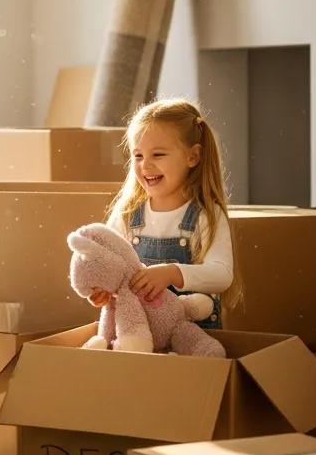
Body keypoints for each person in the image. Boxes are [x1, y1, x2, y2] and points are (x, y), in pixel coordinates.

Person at [90, 98, 235, 329]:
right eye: (138, 156)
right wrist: (103, 287)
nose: (145, 165)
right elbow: (108, 263)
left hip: (193, 338)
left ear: (193, 157)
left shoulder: (205, 216)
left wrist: (171, 273)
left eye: (158, 155)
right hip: (141, 334)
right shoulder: (128, 214)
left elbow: (222, 275)